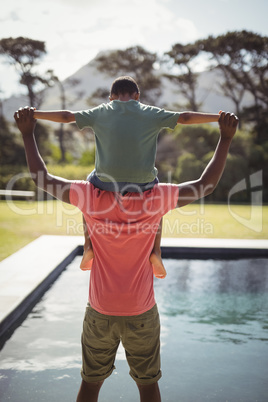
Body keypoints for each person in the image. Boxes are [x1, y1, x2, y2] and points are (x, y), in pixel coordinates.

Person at [14, 106, 238, 402]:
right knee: (148, 387)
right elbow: (204, 185)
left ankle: (89, 244)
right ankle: (152, 247)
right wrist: (225, 138)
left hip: (100, 311)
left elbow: (42, 178)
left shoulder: (90, 196)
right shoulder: (156, 197)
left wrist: (28, 134)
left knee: (90, 385)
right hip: (141, 312)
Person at [32, 76, 222, 278]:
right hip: (144, 185)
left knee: (86, 189)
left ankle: (88, 246)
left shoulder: (101, 111)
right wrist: (218, 119)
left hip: (105, 184)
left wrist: (35, 114)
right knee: (158, 197)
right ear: (137, 96)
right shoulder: (151, 113)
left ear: (111, 97)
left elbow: (66, 116)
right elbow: (184, 118)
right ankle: (156, 251)